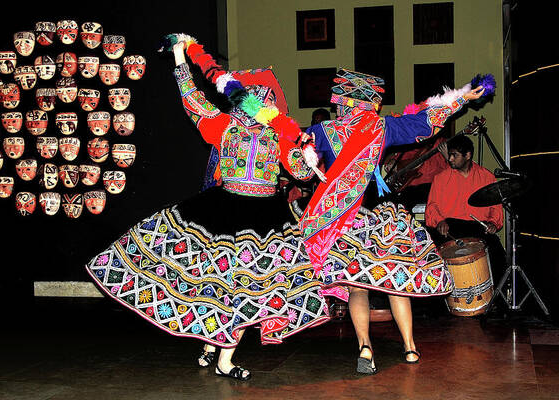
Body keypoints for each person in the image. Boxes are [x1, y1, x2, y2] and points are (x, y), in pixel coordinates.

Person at [85, 39, 330, 381]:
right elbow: (190, 97)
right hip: (224, 212)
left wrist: (309, 158)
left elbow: (303, 174)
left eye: (265, 100)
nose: (259, 104)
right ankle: (216, 349)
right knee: (218, 285)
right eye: (252, 98)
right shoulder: (225, 126)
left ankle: (221, 355)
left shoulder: (282, 138)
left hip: (264, 218)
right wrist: (178, 55)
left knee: (249, 289)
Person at [299, 68, 491, 373]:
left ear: (342, 102)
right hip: (379, 210)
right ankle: (411, 348)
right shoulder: (382, 126)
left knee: (356, 286)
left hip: (343, 215)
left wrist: (301, 148)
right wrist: (461, 98)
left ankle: (365, 347)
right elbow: (424, 123)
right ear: (370, 103)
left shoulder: (323, 131)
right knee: (394, 283)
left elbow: (302, 170)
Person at [425, 134, 506, 283]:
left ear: (467, 155)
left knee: (499, 256)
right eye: (449, 155)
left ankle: (497, 299)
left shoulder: (486, 177)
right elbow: (432, 206)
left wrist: (493, 224)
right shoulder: (441, 178)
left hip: (478, 227)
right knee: (430, 257)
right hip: (450, 227)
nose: (449, 159)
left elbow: (496, 208)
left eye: (454, 155)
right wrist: (439, 222)